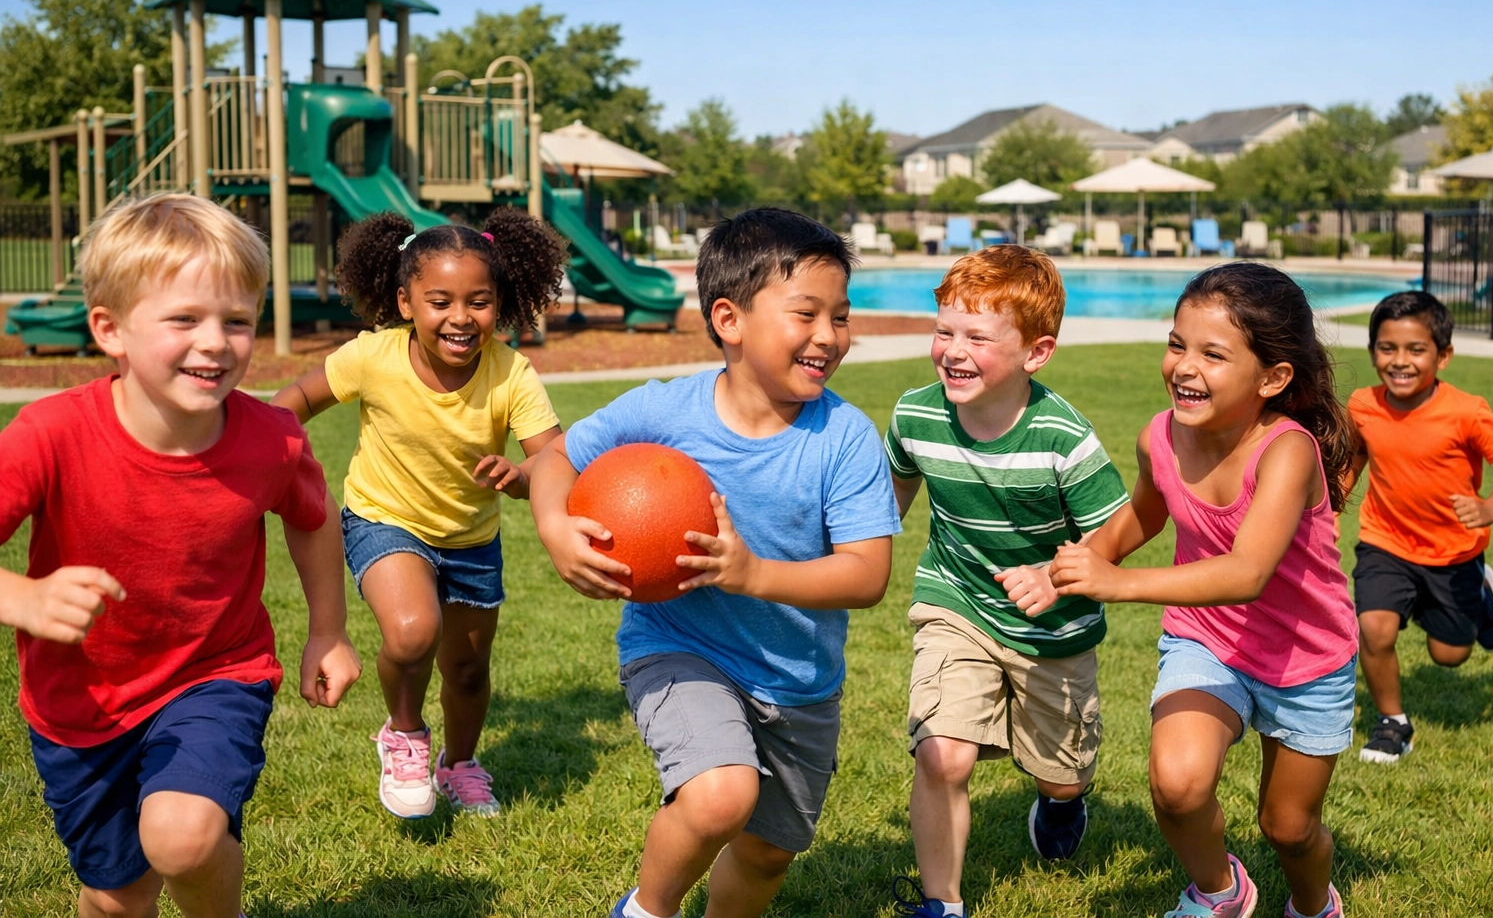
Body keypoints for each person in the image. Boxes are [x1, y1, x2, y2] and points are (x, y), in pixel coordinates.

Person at [529, 207, 901, 918]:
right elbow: (555, 457)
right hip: (678, 646)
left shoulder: (845, 438)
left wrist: (751, 573)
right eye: (807, 314)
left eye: (842, 317)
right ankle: (647, 908)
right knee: (721, 793)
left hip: (798, 681)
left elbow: (866, 574)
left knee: (766, 851)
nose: (829, 336)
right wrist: (554, 526)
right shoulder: (666, 412)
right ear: (729, 320)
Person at [0, 194, 361, 918]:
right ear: (111, 329)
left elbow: (313, 519)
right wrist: (24, 598)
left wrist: (328, 627)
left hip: (215, 673)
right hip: (81, 705)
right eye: (184, 319)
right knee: (116, 895)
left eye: (236, 321)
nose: (216, 342)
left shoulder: (273, 438)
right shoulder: (49, 435)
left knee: (183, 837)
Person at [1048, 263, 1358, 918]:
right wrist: (1073, 564)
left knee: (1288, 829)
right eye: (1177, 344)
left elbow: (1247, 572)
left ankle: (1312, 905)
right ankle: (1220, 893)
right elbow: (1144, 514)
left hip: (1308, 662)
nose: (1184, 367)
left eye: (1213, 354)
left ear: (1272, 378)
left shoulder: (1287, 451)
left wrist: (1118, 582)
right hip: (1208, 643)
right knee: (1179, 787)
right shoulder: (1160, 436)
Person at [271, 207, 565, 819]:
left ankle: (460, 764)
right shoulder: (372, 356)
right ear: (406, 302)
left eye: (479, 302)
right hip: (384, 517)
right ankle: (404, 734)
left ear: (499, 303)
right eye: (440, 301)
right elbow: (296, 399)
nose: (461, 318)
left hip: (471, 537)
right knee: (411, 632)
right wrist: (261, 444)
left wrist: (520, 477)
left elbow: (554, 460)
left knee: (466, 670)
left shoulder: (512, 374)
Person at [883, 246, 1128, 918]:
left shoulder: (1062, 438)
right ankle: (942, 904)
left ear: (1036, 352)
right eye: (944, 331)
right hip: (955, 602)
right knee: (943, 756)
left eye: (977, 337)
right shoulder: (916, 416)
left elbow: (1119, 530)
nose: (953, 351)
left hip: (1055, 630)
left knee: (1063, 773)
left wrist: (1055, 575)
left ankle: (1057, 802)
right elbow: (893, 493)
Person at [1345, 291, 1493, 764]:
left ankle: (1484, 600)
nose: (1400, 361)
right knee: (1374, 629)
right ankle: (1392, 723)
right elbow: (1357, 453)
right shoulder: (1363, 404)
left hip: (1453, 552)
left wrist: (1490, 508)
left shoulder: (1466, 411)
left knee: (1450, 654)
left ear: (1442, 356)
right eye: (1387, 348)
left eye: (1416, 350)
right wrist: (1333, 501)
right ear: (1372, 353)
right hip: (1383, 541)